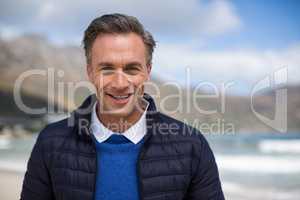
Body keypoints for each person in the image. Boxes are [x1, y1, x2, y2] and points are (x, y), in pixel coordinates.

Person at [20, 13, 225, 200]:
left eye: (131, 68)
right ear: (90, 71)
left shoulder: (192, 146)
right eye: (107, 68)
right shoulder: (50, 143)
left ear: (147, 71)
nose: (119, 83)